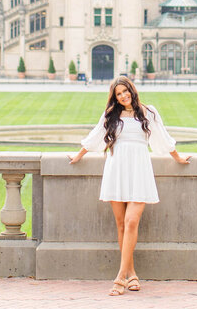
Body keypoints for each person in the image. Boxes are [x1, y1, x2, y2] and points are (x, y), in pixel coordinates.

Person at [69, 76, 190, 296]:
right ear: (114, 97)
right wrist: (77, 156)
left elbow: (163, 138)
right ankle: (131, 274)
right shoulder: (111, 115)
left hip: (139, 170)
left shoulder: (148, 112)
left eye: (126, 91)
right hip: (117, 170)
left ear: (132, 90)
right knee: (122, 225)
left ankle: (119, 279)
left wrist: (179, 158)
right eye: (119, 94)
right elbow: (96, 136)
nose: (123, 96)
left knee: (132, 221)